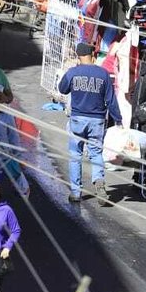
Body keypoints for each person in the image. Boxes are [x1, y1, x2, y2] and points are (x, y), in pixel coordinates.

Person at [57, 41, 121, 206]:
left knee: (75, 154)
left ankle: (76, 192)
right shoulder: (103, 74)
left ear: (79, 56)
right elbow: (111, 100)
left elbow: (62, 89)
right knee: (95, 153)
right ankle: (99, 182)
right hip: (97, 120)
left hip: (77, 118)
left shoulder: (73, 72)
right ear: (92, 56)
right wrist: (118, 119)